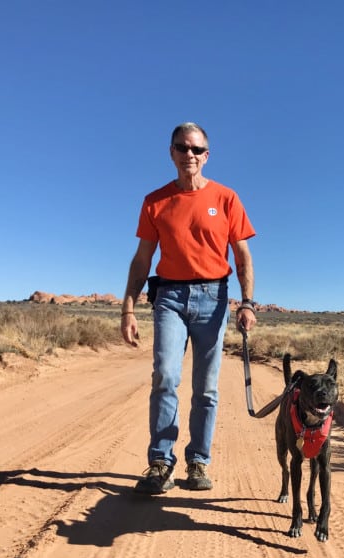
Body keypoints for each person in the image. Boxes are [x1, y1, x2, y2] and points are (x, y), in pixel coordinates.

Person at [121, 122, 257, 494]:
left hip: (214, 298)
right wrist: (128, 309)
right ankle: (160, 463)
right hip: (169, 299)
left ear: (207, 155)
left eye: (196, 149)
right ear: (171, 152)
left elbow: (242, 256)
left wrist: (246, 303)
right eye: (182, 148)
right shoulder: (155, 201)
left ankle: (198, 462)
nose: (189, 155)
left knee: (206, 388)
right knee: (165, 377)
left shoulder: (226, 198)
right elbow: (142, 259)